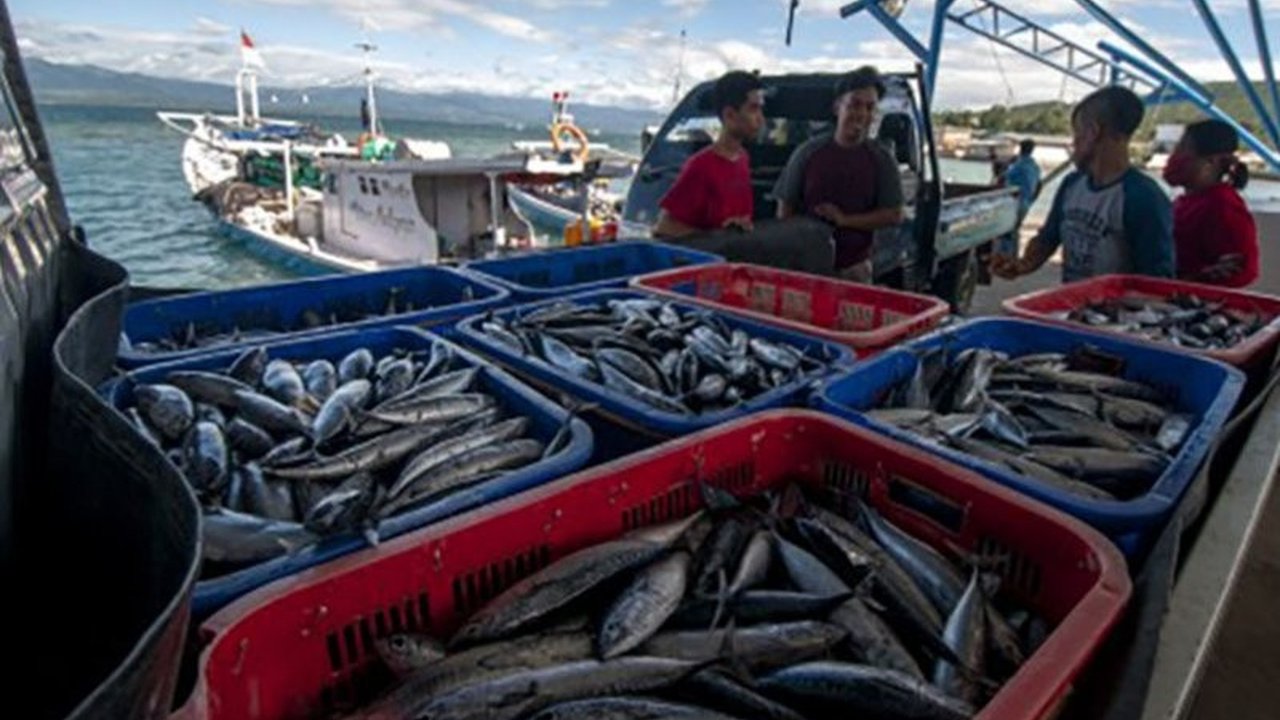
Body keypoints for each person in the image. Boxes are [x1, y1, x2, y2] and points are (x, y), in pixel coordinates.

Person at [991, 86, 1173, 283]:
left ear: (1093, 132)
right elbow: (1048, 237)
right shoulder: (1072, 184)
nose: (1074, 143)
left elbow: (1158, 279)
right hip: (1072, 307)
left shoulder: (1144, 198)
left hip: (1118, 312)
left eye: (1077, 134)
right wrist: (1023, 264)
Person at [772, 66, 904, 282]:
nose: (862, 113)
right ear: (837, 108)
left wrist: (845, 220)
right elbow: (785, 208)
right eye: (854, 105)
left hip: (855, 270)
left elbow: (894, 214)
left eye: (870, 107)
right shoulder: (807, 152)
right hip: (805, 269)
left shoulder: (882, 159)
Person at [652, 71, 765, 238]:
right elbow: (664, 227)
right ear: (730, 115)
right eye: (753, 109)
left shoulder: (742, 158)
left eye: (761, 109)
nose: (760, 119)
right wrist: (716, 237)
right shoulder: (702, 166)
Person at [1162, 119, 1259, 288]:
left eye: (1183, 150)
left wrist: (1188, 283)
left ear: (1211, 162)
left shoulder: (1223, 206)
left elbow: (1240, 271)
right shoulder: (1183, 203)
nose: (1175, 157)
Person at [997, 138, 1042, 257]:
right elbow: (1039, 185)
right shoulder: (1035, 167)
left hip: (1014, 203)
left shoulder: (1018, 166)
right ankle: (1013, 255)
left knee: (1007, 231)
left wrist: (1005, 166)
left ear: (1021, 149)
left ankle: (1006, 256)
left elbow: (1001, 178)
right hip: (1026, 203)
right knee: (1015, 230)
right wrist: (1031, 200)